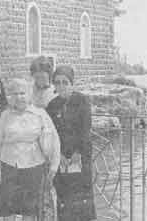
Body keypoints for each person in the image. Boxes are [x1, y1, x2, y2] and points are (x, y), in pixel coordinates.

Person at [0, 78, 60, 221]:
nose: (19, 97)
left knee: (30, 208)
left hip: (33, 165)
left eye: (22, 93)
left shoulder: (40, 114)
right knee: (9, 207)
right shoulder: (5, 115)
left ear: (29, 94)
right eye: (15, 94)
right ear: (10, 97)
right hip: (9, 165)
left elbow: (54, 140)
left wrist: (54, 165)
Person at [46, 65, 96, 221]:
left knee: (82, 199)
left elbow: (85, 130)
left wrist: (77, 153)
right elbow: (51, 134)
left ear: (72, 84)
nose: (61, 86)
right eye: (58, 82)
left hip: (80, 156)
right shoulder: (52, 105)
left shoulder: (82, 101)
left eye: (65, 82)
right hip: (61, 158)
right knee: (65, 198)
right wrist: (58, 155)